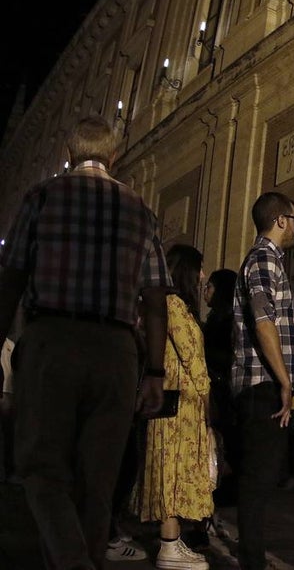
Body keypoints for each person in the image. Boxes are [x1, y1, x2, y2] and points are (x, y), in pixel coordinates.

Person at [0, 115, 171, 570]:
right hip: (116, 350)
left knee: (41, 469)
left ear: (70, 153)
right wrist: (155, 370)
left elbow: (11, 278)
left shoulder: (41, 197)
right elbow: (155, 299)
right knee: (97, 482)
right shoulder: (140, 209)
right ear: (113, 155)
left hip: (52, 342)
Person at [231, 191, 294, 570]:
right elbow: (264, 323)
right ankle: (252, 562)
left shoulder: (268, 260)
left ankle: (252, 558)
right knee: (257, 481)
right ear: (280, 221)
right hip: (263, 385)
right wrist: (284, 381)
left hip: (265, 384)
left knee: (261, 479)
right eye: (293, 220)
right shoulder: (263, 259)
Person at [134, 244, 215, 569]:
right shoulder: (174, 305)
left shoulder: (166, 305)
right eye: (199, 269)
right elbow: (193, 360)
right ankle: (169, 544)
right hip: (177, 407)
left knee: (172, 471)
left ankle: (172, 539)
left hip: (174, 403)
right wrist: (209, 405)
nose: (203, 276)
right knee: (171, 471)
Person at [201, 267, 238, 525]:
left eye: (210, 287)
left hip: (223, 392)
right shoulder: (215, 317)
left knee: (224, 446)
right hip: (216, 390)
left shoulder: (228, 320)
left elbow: (228, 355)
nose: (206, 291)